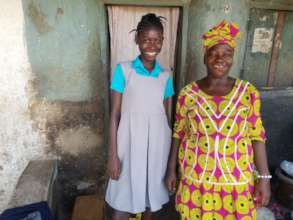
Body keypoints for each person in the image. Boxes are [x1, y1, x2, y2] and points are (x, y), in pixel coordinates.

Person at [165, 20, 271, 220]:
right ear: (205, 57)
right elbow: (178, 133)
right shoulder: (188, 94)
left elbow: (257, 136)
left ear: (233, 59)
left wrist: (264, 179)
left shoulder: (248, 93)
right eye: (213, 53)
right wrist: (171, 170)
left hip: (236, 181)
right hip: (195, 178)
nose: (219, 59)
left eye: (226, 54)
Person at [105, 13, 174, 220]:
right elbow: (115, 115)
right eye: (146, 39)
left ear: (162, 41)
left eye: (157, 40)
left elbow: (166, 118)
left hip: (156, 147)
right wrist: (112, 155)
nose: (152, 44)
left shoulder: (165, 76)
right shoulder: (123, 71)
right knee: (122, 201)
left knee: (150, 199)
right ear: (137, 40)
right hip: (129, 145)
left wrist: (170, 160)